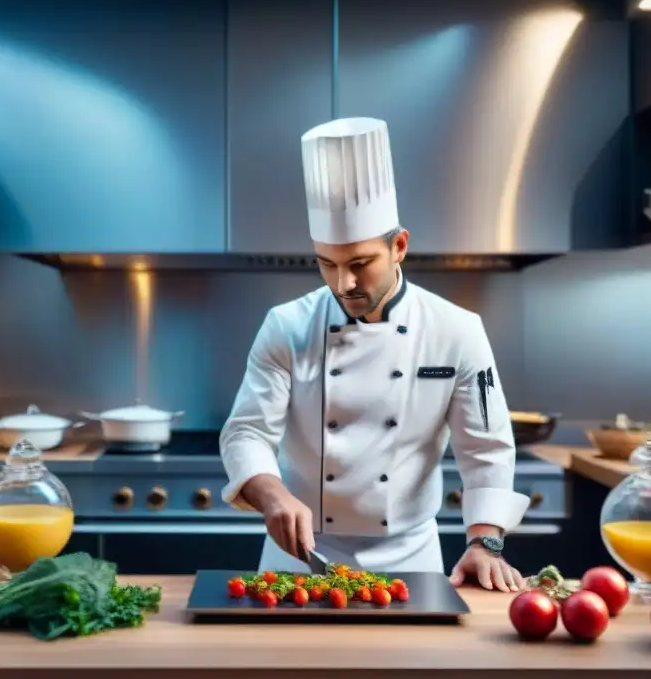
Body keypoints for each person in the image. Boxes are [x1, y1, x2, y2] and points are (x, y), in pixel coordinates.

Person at [219, 117, 529, 592]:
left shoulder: (458, 331)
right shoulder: (286, 326)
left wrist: (484, 542)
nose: (343, 284)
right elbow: (245, 432)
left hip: (410, 560)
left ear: (399, 246)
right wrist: (272, 495)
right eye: (327, 264)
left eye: (360, 264)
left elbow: (486, 446)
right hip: (299, 560)